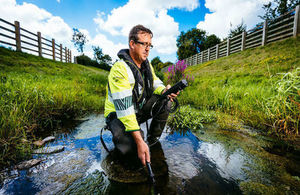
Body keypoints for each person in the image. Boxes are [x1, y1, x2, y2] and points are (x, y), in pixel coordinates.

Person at [104, 24, 178, 167]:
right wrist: (139, 140)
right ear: (132, 44)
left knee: (165, 101)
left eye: (150, 45)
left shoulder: (146, 65)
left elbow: (155, 81)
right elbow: (124, 110)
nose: (147, 49)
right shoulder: (119, 69)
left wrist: (164, 90)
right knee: (133, 152)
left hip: (137, 109)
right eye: (144, 44)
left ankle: (152, 140)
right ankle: (131, 145)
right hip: (118, 114)